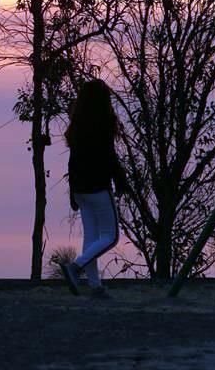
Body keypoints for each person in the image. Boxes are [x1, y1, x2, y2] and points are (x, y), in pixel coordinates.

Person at [59, 79, 128, 299]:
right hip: (98, 187)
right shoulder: (104, 124)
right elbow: (109, 157)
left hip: (81, 189)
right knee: (110, 236)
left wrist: (72, 191)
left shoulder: (77, 126)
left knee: (92, 237)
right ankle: (75, 267)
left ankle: (95, 286)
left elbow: (73, 161)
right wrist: (121, 180)